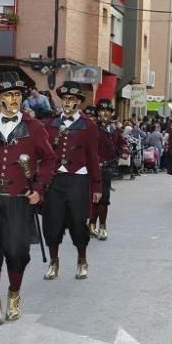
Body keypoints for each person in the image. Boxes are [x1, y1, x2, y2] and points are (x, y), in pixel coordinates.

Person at [0, 73, 56, 325]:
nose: (14, 99)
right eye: (8, 95)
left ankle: (14, 294)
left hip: (19, 199)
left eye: (17, 95)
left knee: (17, 252)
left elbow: (49, 159)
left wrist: (39, 187)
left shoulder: (34, 127)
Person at [42, 81, 101, 281]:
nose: (68, 103)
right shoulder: (49, 124)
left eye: (72, 99)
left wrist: (96, 185)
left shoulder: (88, 125)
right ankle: (53, 261)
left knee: (78, 222)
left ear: (78, 102)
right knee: (52, 222)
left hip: (79, 178)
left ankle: (82, 259)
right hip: (55, 178)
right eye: (65, 99)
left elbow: (93, 156)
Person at [89, 98, 124, 240]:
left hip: (108, 169)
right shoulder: (92, 128)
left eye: (108, 111)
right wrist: (96, 160)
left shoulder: (114, 129)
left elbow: (122, 143)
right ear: (98, 112)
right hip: (94, 168)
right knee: (94, 199)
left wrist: (124, 150)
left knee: (104, 199)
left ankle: (102, 225)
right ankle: (92, 225)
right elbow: (88, 147)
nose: (105, 113)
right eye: (102, 110)